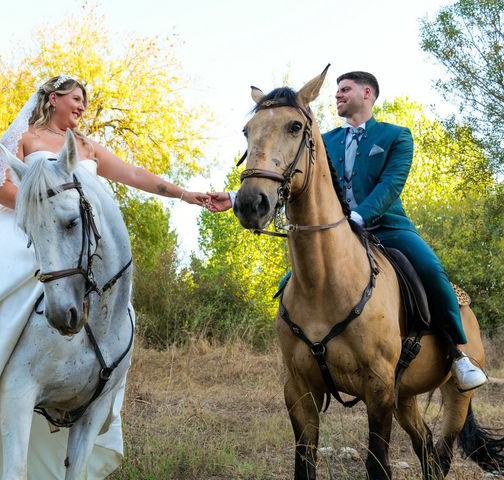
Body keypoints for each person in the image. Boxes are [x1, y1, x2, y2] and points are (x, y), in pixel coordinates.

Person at [0, 74, 208, 479]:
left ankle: (98, 381)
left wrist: (189, 195)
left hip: (76, 244)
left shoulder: (84, 147)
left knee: (114, 303)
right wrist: (38, 203)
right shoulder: (25, 138)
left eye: (84, 101)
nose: (82, 106)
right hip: (26, 230)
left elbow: (134, 175)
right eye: (76, 98)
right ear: (52, 98)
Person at [207, 71, 487, 392]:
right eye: (337, 90)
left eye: (345, 89)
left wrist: (358, 216)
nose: (337, 95)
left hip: (388, 228)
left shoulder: (396, 136)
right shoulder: (325, 141)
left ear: (367, 93)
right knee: (291, 282)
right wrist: (235, 197)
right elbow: (287, 171)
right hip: (336, 234)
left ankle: (456, 353)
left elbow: (390, 185)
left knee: (430, 271)